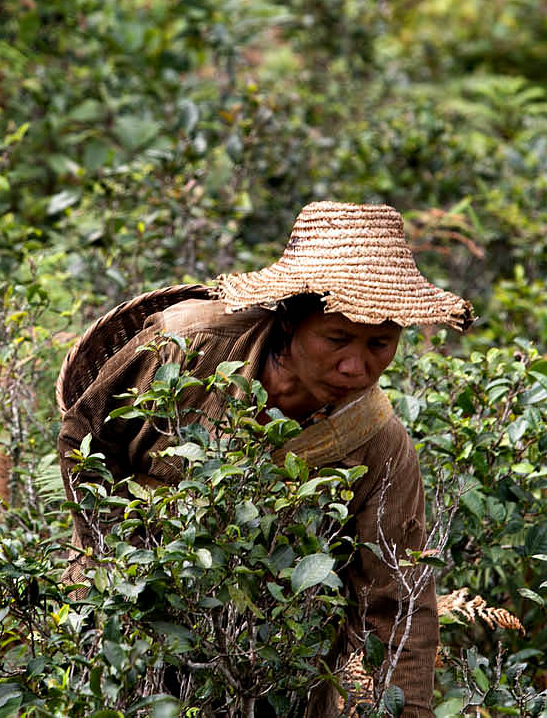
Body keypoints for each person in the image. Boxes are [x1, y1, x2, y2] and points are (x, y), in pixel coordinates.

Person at [56, 201, 475, 717]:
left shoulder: (381, 444)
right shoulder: (190, 347)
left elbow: (398, 596)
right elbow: (84, 436)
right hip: (132, 618)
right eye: (337, 339)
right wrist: (114, 563)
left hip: (276, 661)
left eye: (379, 344)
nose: (356, 366)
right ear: (290, 321)